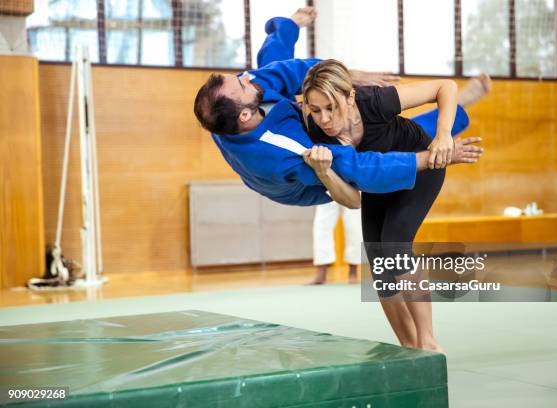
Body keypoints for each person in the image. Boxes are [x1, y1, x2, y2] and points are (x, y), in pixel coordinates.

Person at [192, 7, 473, 208]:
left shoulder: (228, 107)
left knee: (271, 69)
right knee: (372, 143)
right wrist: (429, 158)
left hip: (273, 125)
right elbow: (358, 168)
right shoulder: (286, 150)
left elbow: (285, 69)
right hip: (294, 186)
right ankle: (459, 109)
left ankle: (289, 25)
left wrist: (349, 73)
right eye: (241, 85)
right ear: (244, 114)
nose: (246, 77)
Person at [301, 59, 489, 352]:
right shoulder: (316, 132)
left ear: (350, 97)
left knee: (395, 246)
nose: (324, 119)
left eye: (331, 107)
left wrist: (443, 137)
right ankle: (409, 345)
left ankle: (428, 340)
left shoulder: (374, 101)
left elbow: (445, 86)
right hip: (379, 182)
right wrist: (324, 172)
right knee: (378, 263)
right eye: (315, 110)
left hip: (421, 167)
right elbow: (352, 201)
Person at [311, 201, 362, 284]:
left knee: (354, 226)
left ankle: (353, 272)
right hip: (326, 189)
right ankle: (321, 273)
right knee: (321, 227)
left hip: (354, 188)